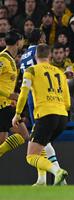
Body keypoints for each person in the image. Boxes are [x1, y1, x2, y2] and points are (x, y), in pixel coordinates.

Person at [12, 44, 70, 186]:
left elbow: (23, 94)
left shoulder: (31, 70)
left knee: (31, 156)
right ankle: (44, 181)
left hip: (45, 115)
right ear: (50, 56)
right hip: (62, 116)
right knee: (43, 145)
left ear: (35, 56)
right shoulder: (60, 72)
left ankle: (57, 171)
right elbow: (68, 101)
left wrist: (18, 114)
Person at [0, 31, 28, 161]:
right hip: (3, 106)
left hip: (6, 105)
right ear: (18, 42)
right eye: (22, 40)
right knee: (24, 135)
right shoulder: (2, 59)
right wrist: (10, 95)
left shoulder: (10, 60)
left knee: (2, 141)